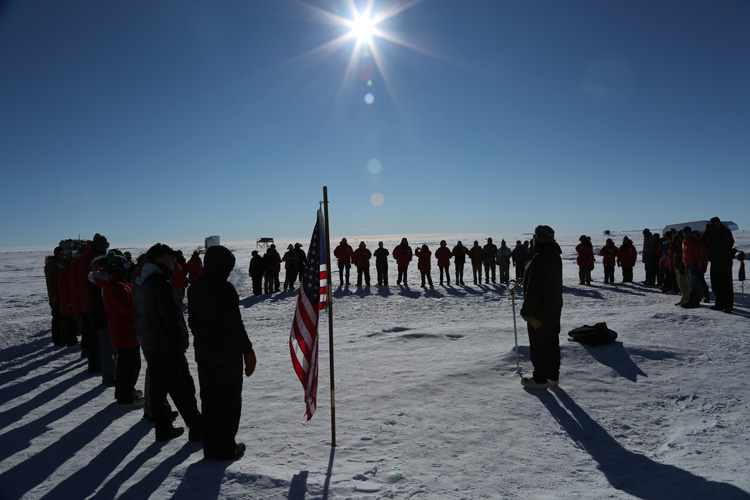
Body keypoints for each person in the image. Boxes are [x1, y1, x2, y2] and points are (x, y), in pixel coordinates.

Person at [188, 245, 256, 461]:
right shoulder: (224, 289)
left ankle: (210, 447)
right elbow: (234, 324)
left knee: (209, 400)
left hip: (203, 353)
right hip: (226, 355)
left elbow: (193, 322)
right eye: (228, 266)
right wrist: (247, 350)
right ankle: (226, 448)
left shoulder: (194, 287)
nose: (229, 271)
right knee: (228, 401)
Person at [136, 243, 202, 442]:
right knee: (182, 387)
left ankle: (163, 427)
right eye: (169, 257)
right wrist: (180, 340)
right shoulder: (159, 282)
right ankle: (198, 428)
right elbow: (171, 318)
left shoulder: (144, 280)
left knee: (157, 388)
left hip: (151, 343)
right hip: (165, 345)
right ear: (158, 259)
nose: (174, 261)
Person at [520, 225, 563, 390]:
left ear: (539, 239)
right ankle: (553, 376)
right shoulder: (554, 256)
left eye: (535, 237)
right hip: (553, 307)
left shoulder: (540, 258)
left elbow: (535, 288)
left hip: (539, 311)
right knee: (552, 342)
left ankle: (540, 379)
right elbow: (546, 281)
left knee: (539, 344)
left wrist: (526, 311)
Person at [99, 251, 144, 406]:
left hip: (124, 330)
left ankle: (125, 391)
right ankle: (125, 396)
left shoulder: (117, 283)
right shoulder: (115, 285)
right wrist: (138, 303)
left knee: (128, 363)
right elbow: (125, 307)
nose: (127, 268)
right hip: (124, 330)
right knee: (129, 364)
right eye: (125, 265)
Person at [703, 217, 735, 313]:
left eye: (716, 223)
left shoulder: (725, 231)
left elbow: (727, 244)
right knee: (716, 284)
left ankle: (728, 305)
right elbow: (702, 242)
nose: (715, 225)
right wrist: (707, 231)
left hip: (725, 260)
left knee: (726, 283)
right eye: (713, 224)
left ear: (719, 223)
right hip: (715, 260)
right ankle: (719, 303)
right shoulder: (710, 232)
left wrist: (714, 233)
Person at [44, 246, 65, 346]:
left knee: (62, 317)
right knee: (57, 317)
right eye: (61, 254)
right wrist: (53, 296)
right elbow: (51, 282)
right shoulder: (52, 265)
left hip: (61, 294)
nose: (63, 256)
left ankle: (61, 336)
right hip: (56, 295)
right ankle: (57, 339)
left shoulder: (59, 263)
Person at [681, 227, 703, 309]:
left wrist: (696, 264)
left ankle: (693, 301)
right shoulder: (684, 241)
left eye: (687, 232)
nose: (685, 234)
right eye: (684, 232)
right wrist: (683, 264)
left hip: (693, 264)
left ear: (690, 232)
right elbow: (684, 254)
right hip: (687, 264)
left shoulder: (694, 241)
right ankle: (695, 301)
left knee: (694, 284)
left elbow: (698, 253)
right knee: (690, 283)